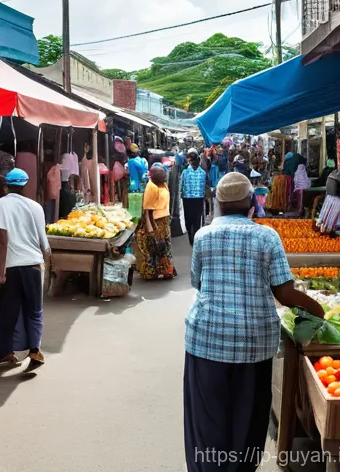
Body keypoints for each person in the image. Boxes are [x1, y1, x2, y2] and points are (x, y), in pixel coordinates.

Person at [184, 172, 325, 471]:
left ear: (218, 204)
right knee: (248, 419)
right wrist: (317, 309)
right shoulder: (266, 236)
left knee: (208, 421)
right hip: (254, 343)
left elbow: (197, 282)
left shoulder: (202, 236)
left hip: (208, 340)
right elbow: (285, 293)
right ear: (250, 202)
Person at [0, 168, 50, 372]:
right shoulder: (36, 207)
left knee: (7, 310)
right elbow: (44, 244)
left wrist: (0, 272)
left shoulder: (0, 204)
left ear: (6, 185)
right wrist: (46, 266)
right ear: (25, 185)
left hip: (12, 266)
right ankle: (34, 350)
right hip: (34, 265)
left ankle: (7, 352)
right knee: (34, 311)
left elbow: (2, 238)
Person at [133, 165, 176, 280]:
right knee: (152, 246)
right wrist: (151, 228)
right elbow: (147, 211)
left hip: (164, 220)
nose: (164, 178)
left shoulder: (163, 185)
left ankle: (167, 270)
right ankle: (152, 272)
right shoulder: (151, 187)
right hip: (154, 221)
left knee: (164, 245)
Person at [181, 151, 207, 246]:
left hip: (187, 199)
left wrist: (181, 194)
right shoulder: (203, 172)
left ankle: (190, 237)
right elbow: (204, 185)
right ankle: (195, 237)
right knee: (197, 219)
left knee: (188, 218)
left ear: (190, 161)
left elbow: (181, 185)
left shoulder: (185, 172)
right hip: (199, 199)